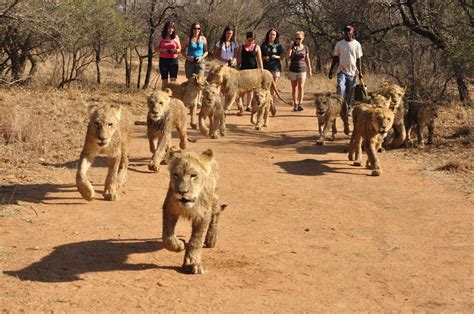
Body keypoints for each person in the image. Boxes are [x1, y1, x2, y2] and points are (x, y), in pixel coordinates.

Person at [328, 25, 363, 116]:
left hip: (352, 72)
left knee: (350, 91)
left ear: (352, 32)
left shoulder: (357, 44)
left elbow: (358, 59)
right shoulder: (339, 44)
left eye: (349, 31)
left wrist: (360, 72)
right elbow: (335, 58)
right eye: (346, 31)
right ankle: (339, 107)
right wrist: (331, 70)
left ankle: (347, 108)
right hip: (341, 70)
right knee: (340, 87)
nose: (347, 32)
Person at [237, 31, 263, 112]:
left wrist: (261, 70)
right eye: (250, 39)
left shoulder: (257, 47)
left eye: (253, 39)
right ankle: (241, 105)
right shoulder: (242, 47)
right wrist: (237, 69)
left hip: (253, 71)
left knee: (250, 89)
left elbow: (259, 59)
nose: (252, 41)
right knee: (242, 89)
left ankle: (248, 106)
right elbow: (239, 59)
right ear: (247, 38)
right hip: (243, 71)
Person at [286, 31, 312, 111]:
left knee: (301, 87)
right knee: (294, 88)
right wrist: (290, 47)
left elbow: (307, 59)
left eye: (299, 38)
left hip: (302, 69)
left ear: (303, 38)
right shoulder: (292, 47)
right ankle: (295, 104)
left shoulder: (305, 47)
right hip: (293, 69)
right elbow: (288, 56)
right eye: (296, 38)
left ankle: (300, 103)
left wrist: (310, 70)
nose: (298, 40)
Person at [261, 28, 284, 113]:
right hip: (266, 68)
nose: (272, 36)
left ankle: (272, 104)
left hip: (276, 67)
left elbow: (282, 56)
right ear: (268, 35)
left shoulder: (278, 45)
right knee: (266, 86)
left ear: (276, 36)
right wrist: (264, 57)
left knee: (274, 86)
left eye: (274, 34)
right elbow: (260, 55)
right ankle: (266, 104)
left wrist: (276, 56)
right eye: (271, 34)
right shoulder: (264, 45)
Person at [155, 21, 181, 88]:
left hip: (174, 60)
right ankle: (164, 96)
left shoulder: (176, 37)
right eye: (169, 28)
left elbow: (179, 49)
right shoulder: (161, 37)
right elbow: (155, 49)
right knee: (164, 80)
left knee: (173, 81)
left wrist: (175, 50)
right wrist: (162, 50)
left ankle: (173, 97)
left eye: (172, 28)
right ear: (165, 28)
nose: (171, 29)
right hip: (163, 61)